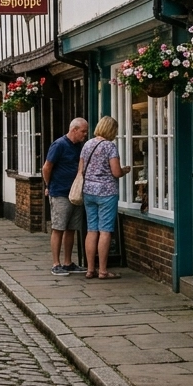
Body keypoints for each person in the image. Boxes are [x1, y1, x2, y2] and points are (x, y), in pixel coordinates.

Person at [79, 116, 132, 280]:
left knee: (92, 229)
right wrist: (125, 170)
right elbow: (115, 172)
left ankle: (89, 269)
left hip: (88, 191)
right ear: (112, 130)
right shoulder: (110, 146)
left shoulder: (87, 144)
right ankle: (102, 270)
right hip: (106, 192)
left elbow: (81, 169)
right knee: (105, 231)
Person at [43, 118, 89, 276]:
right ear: (74, 129)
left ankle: (68, 262)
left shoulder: (79, 147)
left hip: (75, 193)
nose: (85, 134)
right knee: (58, 228)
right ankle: (56, 264)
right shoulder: (59, 145)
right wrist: (49, 185)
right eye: (83, 131)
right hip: (60, 192)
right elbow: (47, 167)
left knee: (71, 229)